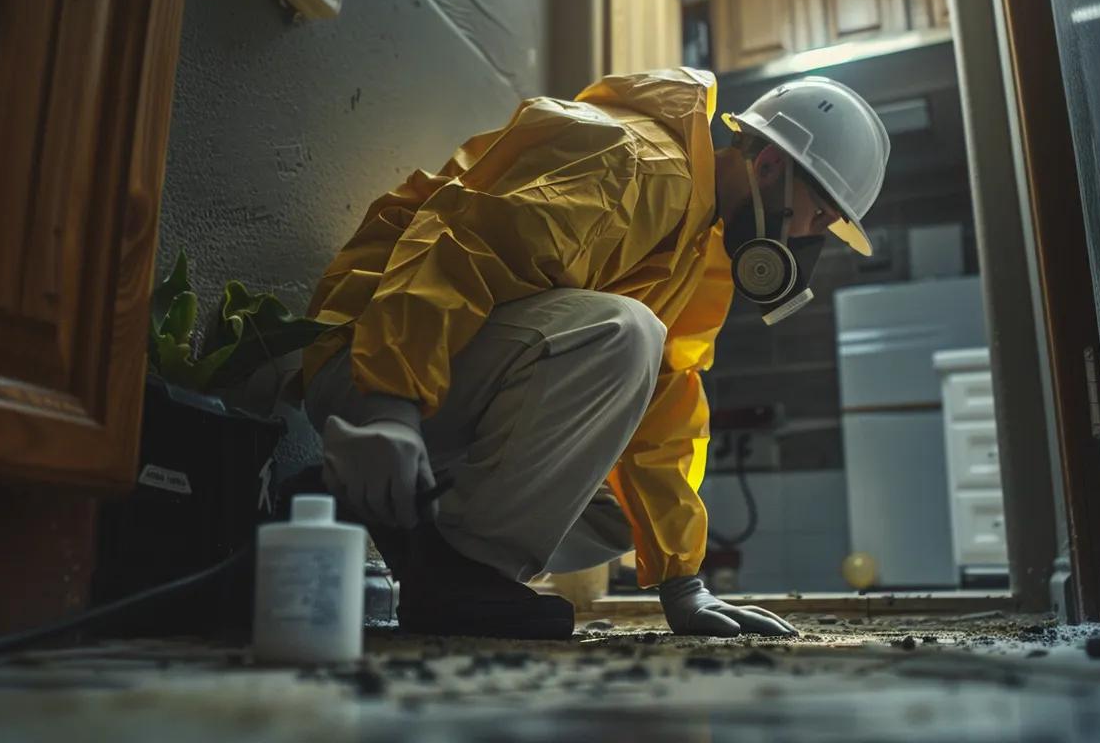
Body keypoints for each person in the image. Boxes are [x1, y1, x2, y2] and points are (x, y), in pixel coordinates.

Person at [302, 69, 890, 639]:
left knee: (615, 511)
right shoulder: (635, 163)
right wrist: (390, 404)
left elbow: (661, 408)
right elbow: (462, 248)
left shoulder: (695, 246)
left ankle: (377, 508)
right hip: (370, 358)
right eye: (817, 216)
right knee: (626, 331)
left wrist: (682, 584)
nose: (809, 239)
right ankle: (459, 579)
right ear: (769, 167)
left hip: (445, 388)